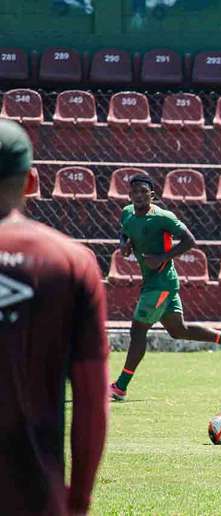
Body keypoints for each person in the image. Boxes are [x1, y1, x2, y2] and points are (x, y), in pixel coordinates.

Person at [0, 119, 108, 514]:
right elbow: (92, 399)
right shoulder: (71, 262)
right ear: (31, 182)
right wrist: (79, 499)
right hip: (35, 497)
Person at [109, 174, 221, 401]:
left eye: (145, 192)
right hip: (157, 283)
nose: (140, 195)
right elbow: (124, 232)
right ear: (130, 195)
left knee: (138, 330)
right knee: (178, 330)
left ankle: (121, 386)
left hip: (161, 283)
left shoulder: (163, 217)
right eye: (135, 192)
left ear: (152, 195)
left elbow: (190, 240)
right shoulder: (127, 213)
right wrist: (124, 245)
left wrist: (162, 257)